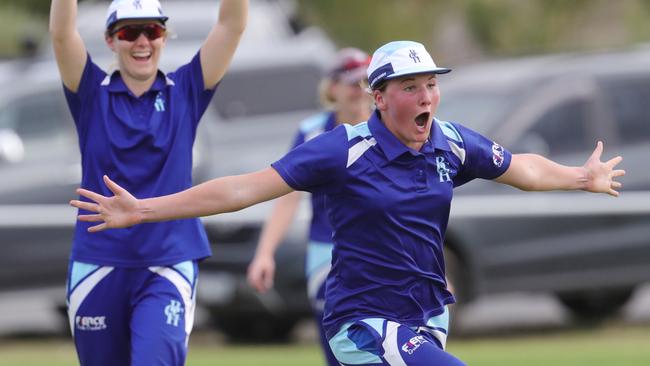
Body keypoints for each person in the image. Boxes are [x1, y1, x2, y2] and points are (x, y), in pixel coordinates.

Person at [70, 40, 625, 365]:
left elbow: (520, 167)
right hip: (362, 322)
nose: (426, 96)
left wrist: (579, 177)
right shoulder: (343, 150)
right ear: (379, 99)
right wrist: (144, 208)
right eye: (410, 87)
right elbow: (245, 188)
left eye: (430, 84)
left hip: (427, 314)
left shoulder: (451, 142)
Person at [50, 0, 247, 364]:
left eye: (152, 31)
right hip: (99, 263)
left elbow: (231, 25)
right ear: (111, 41)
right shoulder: (92, 92)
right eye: (129, 32)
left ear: (163, 37)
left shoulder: (186, 88)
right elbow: (62, 34)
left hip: (167, 263)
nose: (143, 41)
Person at [246, 47, 372, 366]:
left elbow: (413, 206)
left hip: (379, 250)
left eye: (367, 82)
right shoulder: (313, 132)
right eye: (352, 82)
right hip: (326, 249)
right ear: (332, 87)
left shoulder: (390, 129)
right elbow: (288, 197)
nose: (360, 90)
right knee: (336, 344)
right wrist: (264, 254)